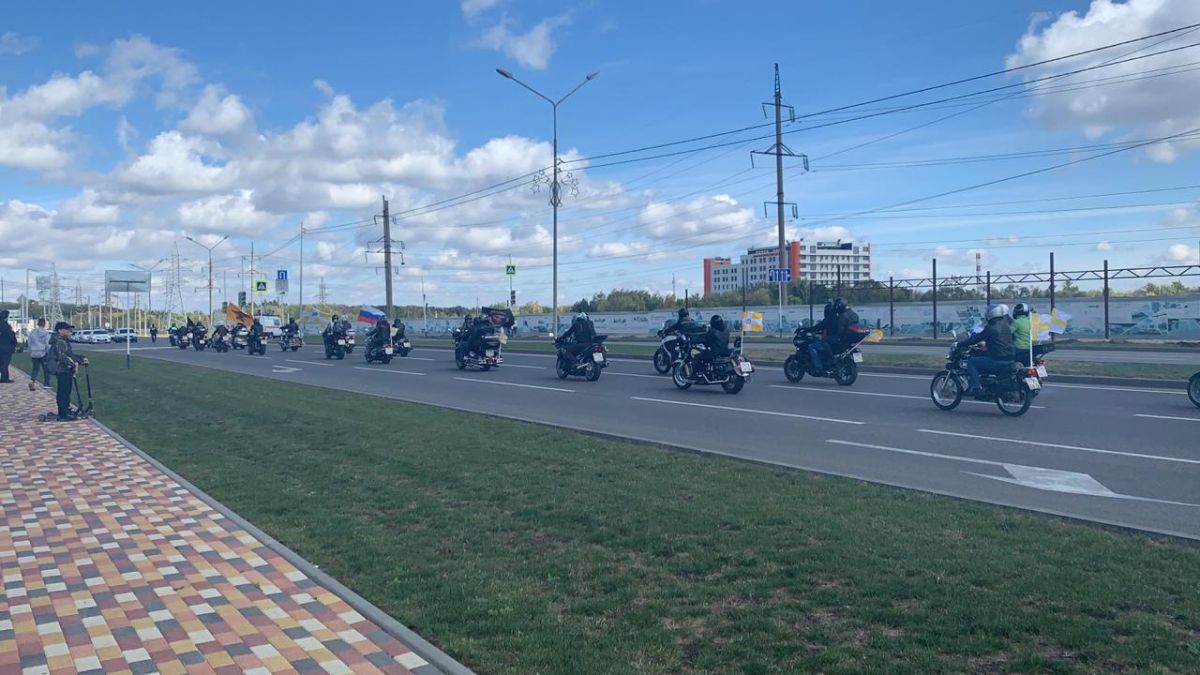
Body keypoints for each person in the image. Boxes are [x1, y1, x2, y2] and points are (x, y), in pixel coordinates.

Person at [961, 304, 1015, 396]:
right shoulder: (1006, 325)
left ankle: (976, 387)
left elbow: (976, 338)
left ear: (991, 314)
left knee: (971, 362)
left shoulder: (991, 327)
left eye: (987, 312)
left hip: (997, 360)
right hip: (1010, 359)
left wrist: (961, 343)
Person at [45, 322, 87, 420]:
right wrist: (74, 364)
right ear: (60, 330)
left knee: (66, 391)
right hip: (62, 369)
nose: (70, 331)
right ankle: (63, 414)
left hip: (65, 369)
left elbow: (69, 354)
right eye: (67, 329)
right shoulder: (60, 341)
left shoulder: (64, 341)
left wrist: (81, 359)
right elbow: (63, 357)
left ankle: (66, 410)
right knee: (63, 392)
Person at [805, 302, 836, 372]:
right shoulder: (837, 318)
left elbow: (819, 327)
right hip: (835, 341)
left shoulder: (829, 319)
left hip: (829, 342)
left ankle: (818, 366)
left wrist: (807, 329)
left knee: (811, 346)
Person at [28, 318, 51, 390]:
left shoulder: (32, 332)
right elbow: (47, 344)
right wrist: (48, 351)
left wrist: (31, 349)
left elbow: (29, 342)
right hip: (43, 352)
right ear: (44, 324)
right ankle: (46, 384)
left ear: (37, 323)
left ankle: (32, 381)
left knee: (35, 369)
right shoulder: (46, 333)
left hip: (34, 352)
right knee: (46, 369)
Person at [0, 310, 16, 383]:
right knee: (5, 363)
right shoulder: (6, 325)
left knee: (1, 363)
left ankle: (3, 377)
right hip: (6, 347)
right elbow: (11, 336)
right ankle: (4, 378)